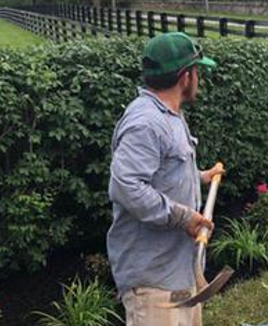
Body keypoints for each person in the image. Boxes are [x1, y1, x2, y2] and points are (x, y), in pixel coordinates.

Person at [107, 32, 224, 326]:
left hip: (178, 273)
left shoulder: (168, 115)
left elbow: (162, 173)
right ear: (185, 76)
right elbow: (127, 187)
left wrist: (197, 177)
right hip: (154, 285)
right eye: (197, 71)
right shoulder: (146, 123)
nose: (199, 78)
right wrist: (184, 217)